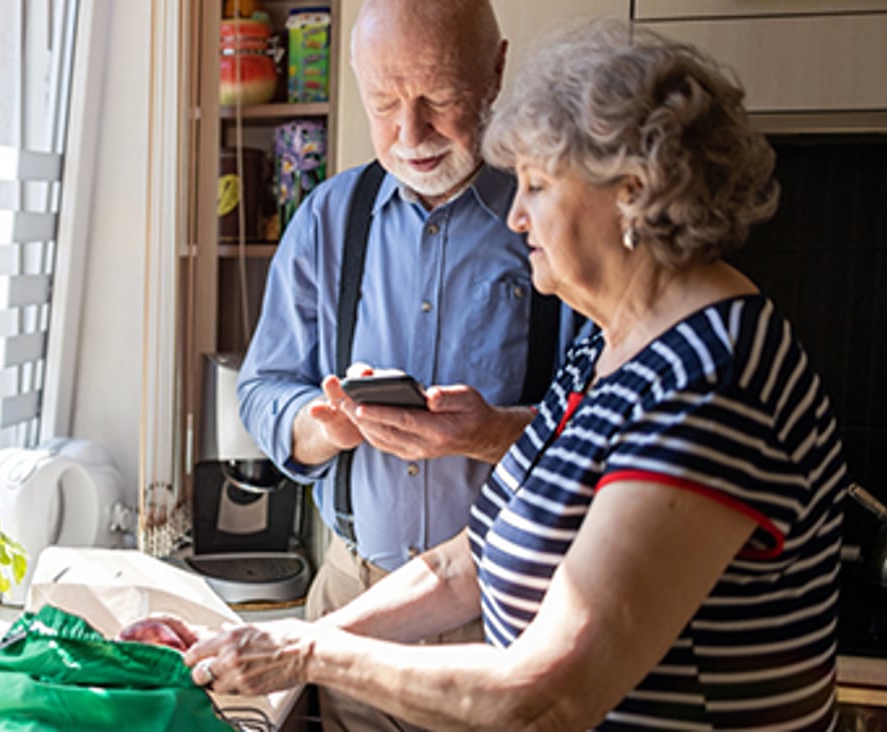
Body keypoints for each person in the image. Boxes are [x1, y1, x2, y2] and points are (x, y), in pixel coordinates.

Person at [177, 19, 848, 730]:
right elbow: (466, 565)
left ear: (631, 191)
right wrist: (302, 637)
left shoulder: (710, 377)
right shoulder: (615, 350)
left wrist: (310, 653)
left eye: (535, 185)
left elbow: (550, 692)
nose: (517, 216)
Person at [236, 2, 577, 726]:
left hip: (506, 614)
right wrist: (321, 427)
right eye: (385, 104)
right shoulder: (325, 219)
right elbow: (263, 387)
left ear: (495, 71)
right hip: (354, 593)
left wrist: (485, 433)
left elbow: (604, 426)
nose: (411, 134)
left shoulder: (556, 223)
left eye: (440, 100)